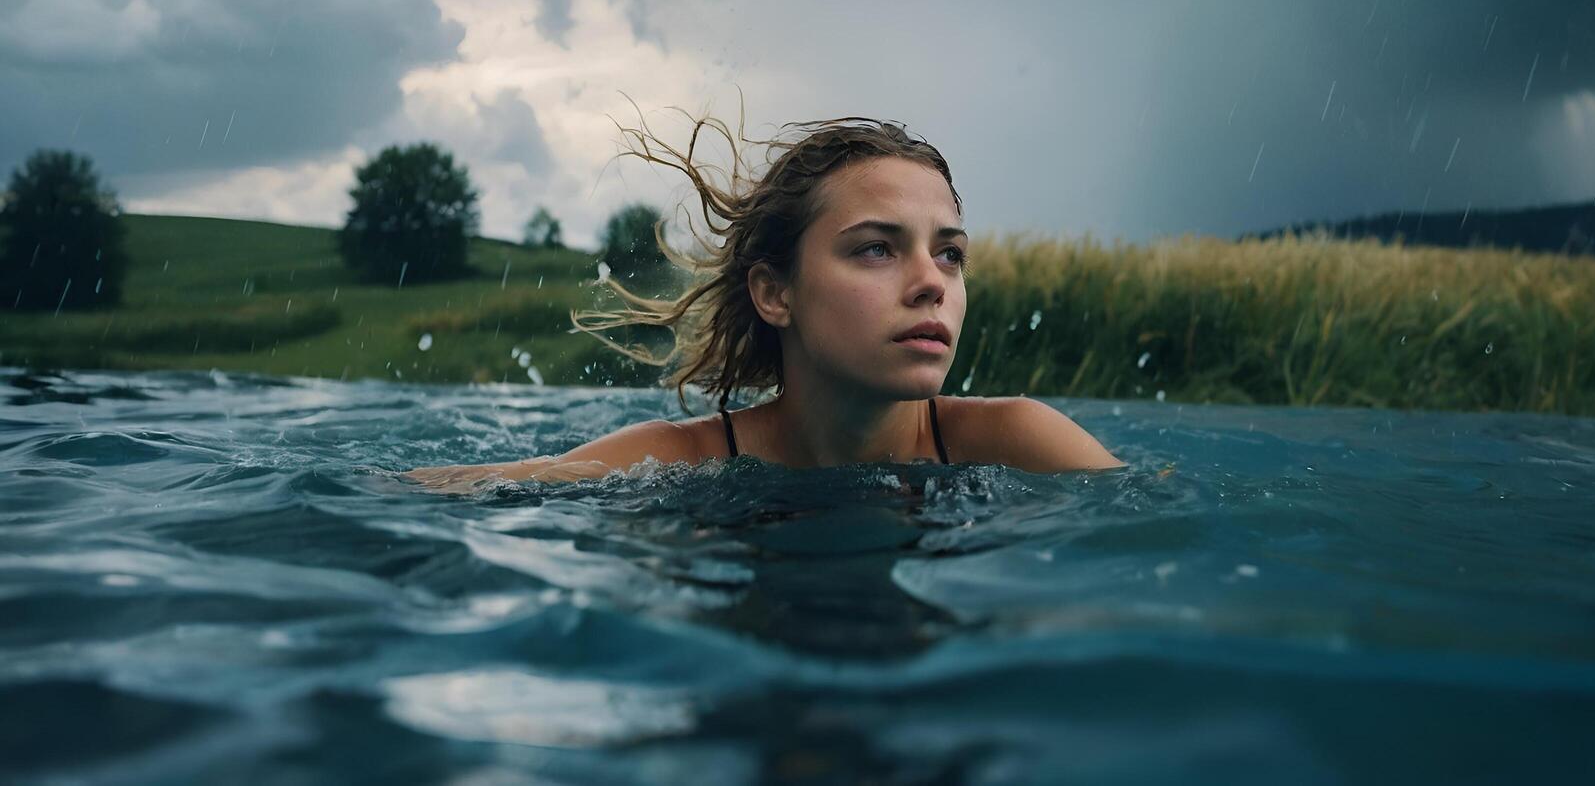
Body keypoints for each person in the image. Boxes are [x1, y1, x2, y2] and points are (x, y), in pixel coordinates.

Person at [404, 109, 1124, 492]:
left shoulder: (1021, 443)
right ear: (775, 292)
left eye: (950, 253)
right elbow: (432, 493)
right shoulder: (680, 461)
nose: (932, 280)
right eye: (876, 247)